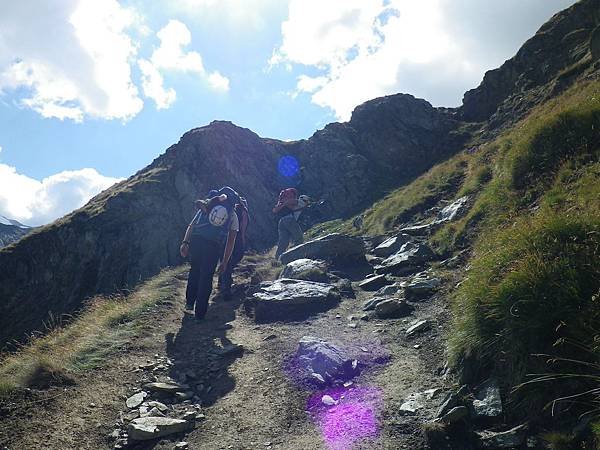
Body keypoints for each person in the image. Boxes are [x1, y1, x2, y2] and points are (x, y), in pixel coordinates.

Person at [180, 187, 239, 320]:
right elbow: (231, 241)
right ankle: (200, 315)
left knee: (194, 271)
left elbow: (192, 225)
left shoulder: (209, 204)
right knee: (206, 278)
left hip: (196, 242)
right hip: (213, 248)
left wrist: (185, 242)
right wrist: (224, 262)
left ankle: (189, 303)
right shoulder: (232, 215)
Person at [217, 196, 250, 301]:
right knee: (235, 258)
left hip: (223, 238)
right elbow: (242, 228)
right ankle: (226, 288)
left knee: (225, 259)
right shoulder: (243, 211)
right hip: (236, 238)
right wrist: (243, 240)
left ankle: (221, 281)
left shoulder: (230, 210)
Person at [273, 188, 310, 259]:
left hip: (281, 221)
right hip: (289, 220)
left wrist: (283, 204)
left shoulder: (282, 202)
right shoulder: (299, 202)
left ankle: (277, 259)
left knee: (283, 242)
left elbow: (275, 210)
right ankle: (297, 256)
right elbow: (301, 204)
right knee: (299, 239)